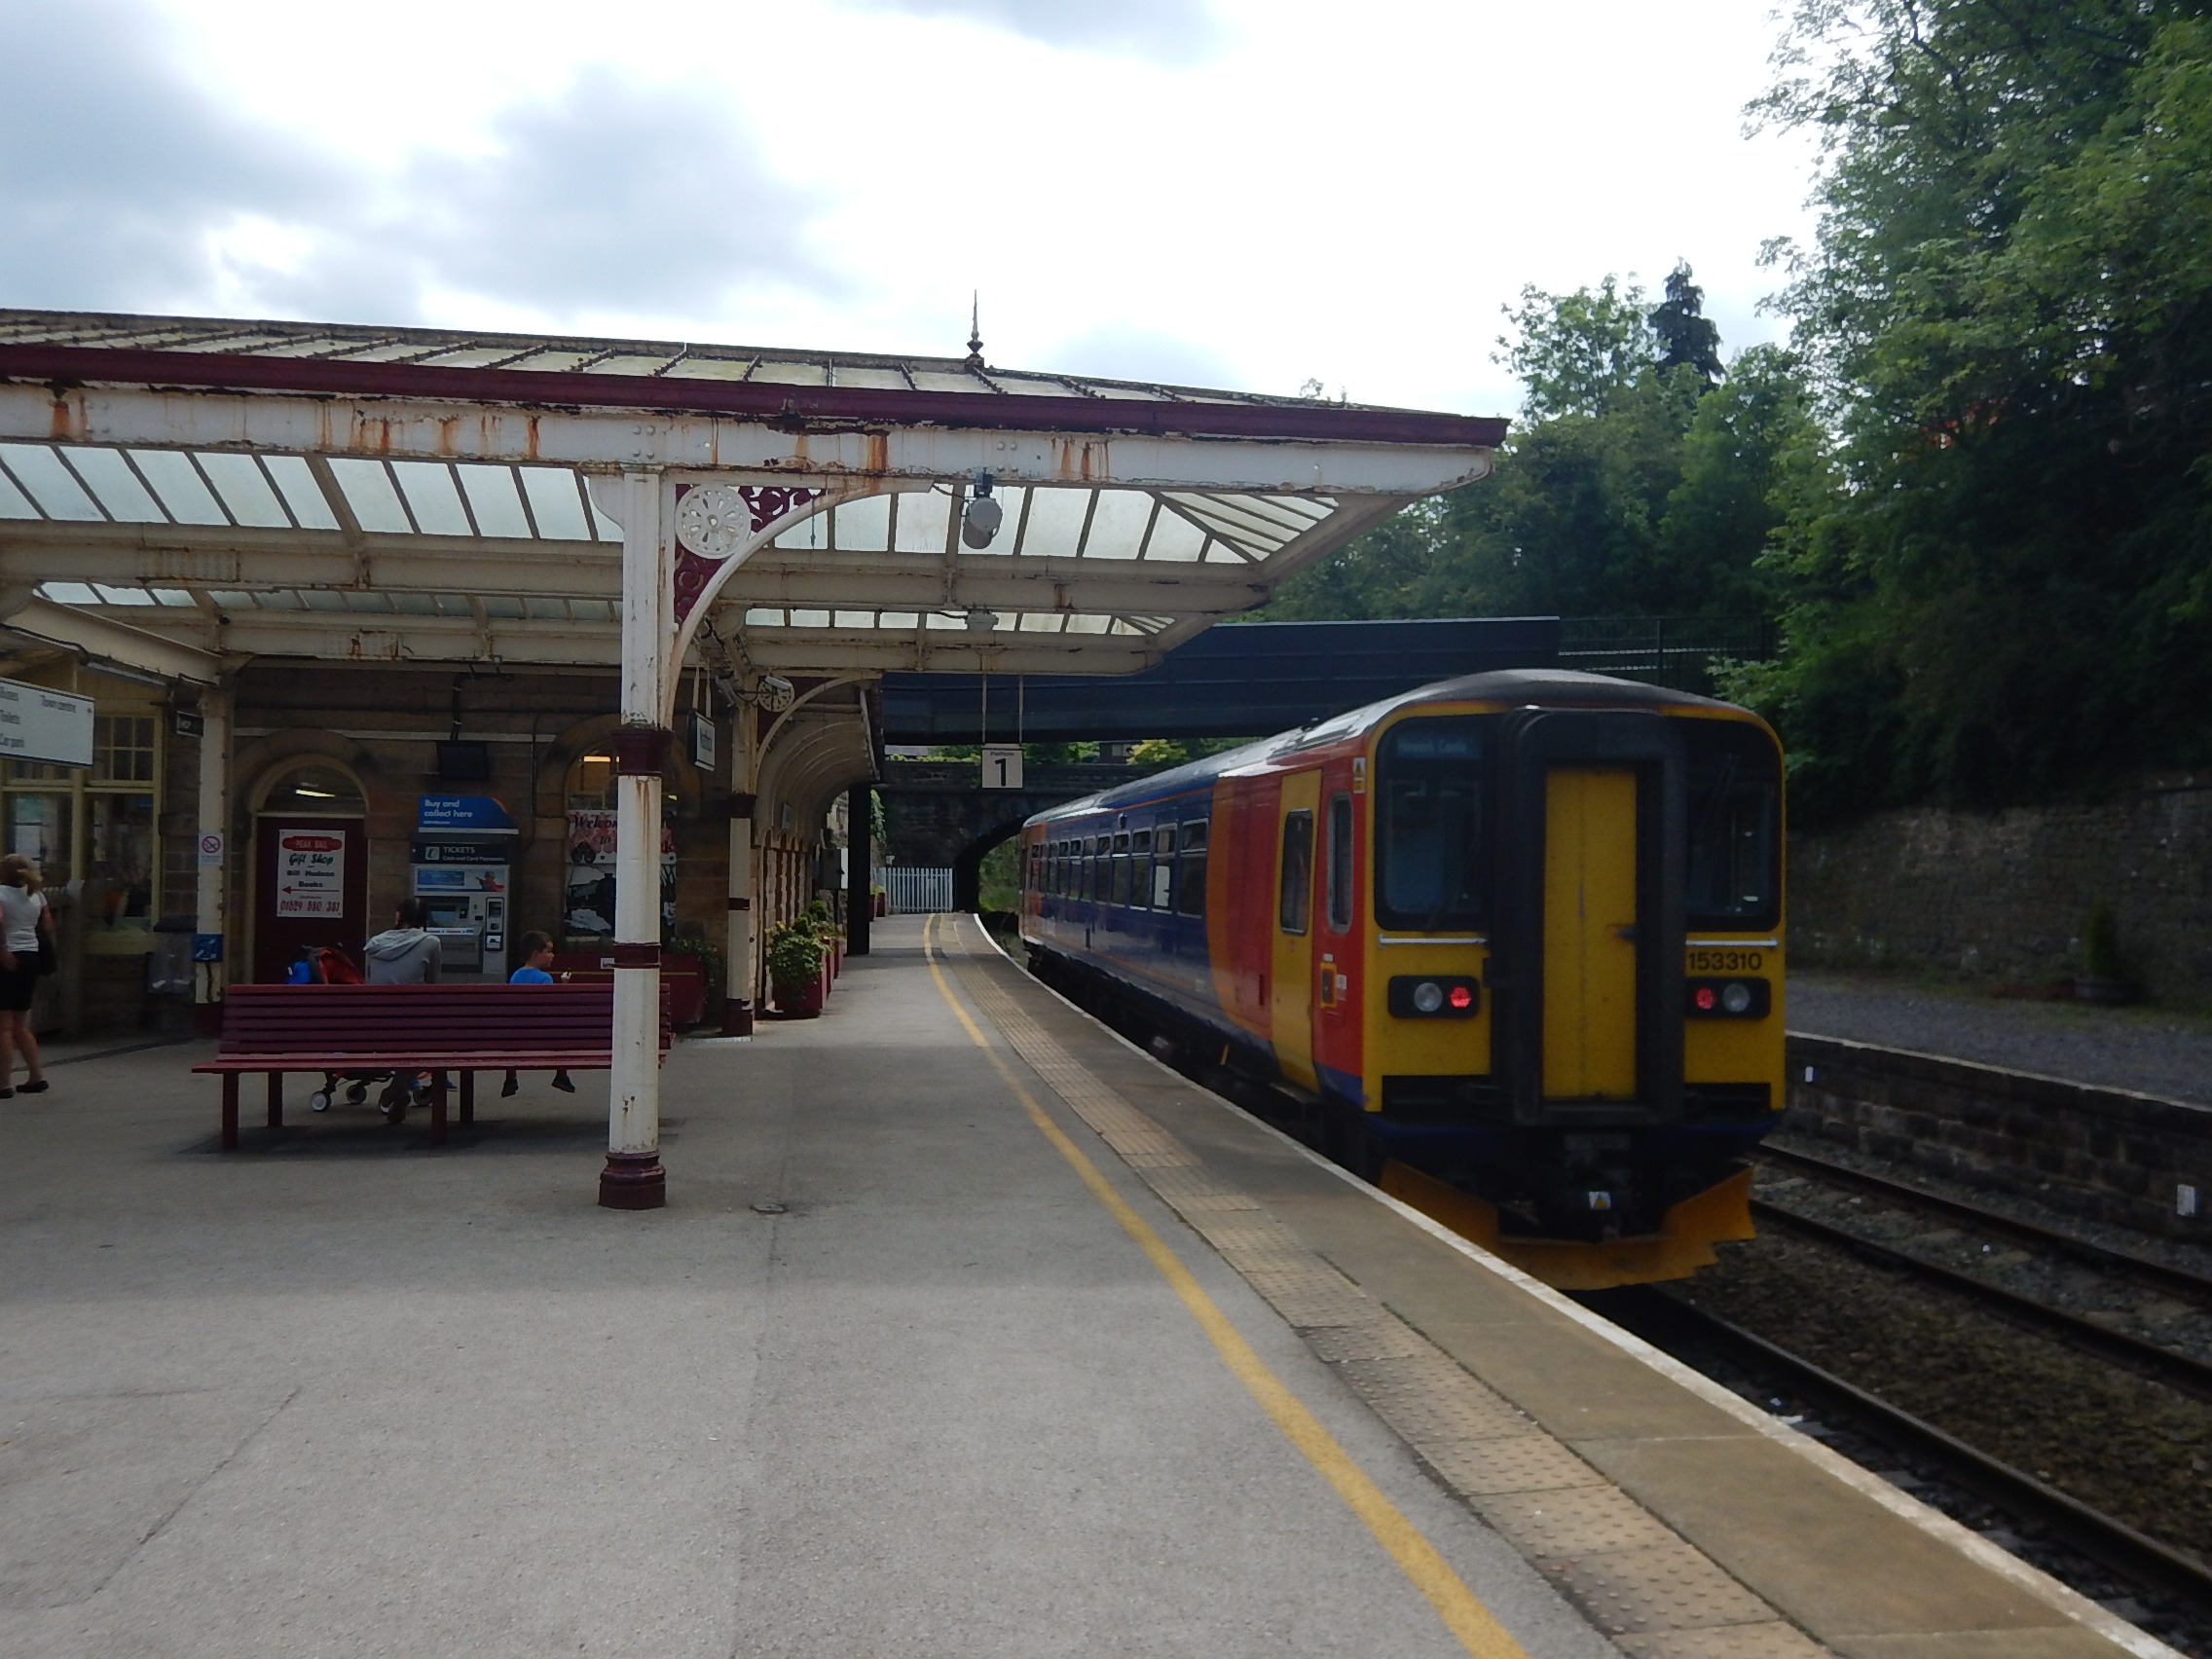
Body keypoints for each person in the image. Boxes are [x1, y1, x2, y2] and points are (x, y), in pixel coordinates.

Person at [362, 898, 441, 1123]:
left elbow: (371, 980)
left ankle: (398, 1092)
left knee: (414, 1038)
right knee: (431, 1043)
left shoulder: (375, 943)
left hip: (374, 1024)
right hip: (412, 1025)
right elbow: (434, 984)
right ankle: (396, 1089)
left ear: (398, 916)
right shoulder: (431, 942)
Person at [501, 931, 576, 1098]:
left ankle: (510, 1077)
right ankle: (561, 1074)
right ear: (536, 954)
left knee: (513, 1033)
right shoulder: (545, 978)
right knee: (564, 1029)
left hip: (516, 1034)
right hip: (542, 1034)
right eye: (548, 951)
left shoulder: (516, 975)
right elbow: (551, 1009)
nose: (552, 956)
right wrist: (564, 986)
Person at [0, 853, 51, 1099]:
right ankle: (36, 1076)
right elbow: (47, 926)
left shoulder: (0, 893)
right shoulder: (36, 894)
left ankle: (3, 1083)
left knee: (3, 1026)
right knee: (20, 1024)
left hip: (7, 956)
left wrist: (3, 949)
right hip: (31, 956)